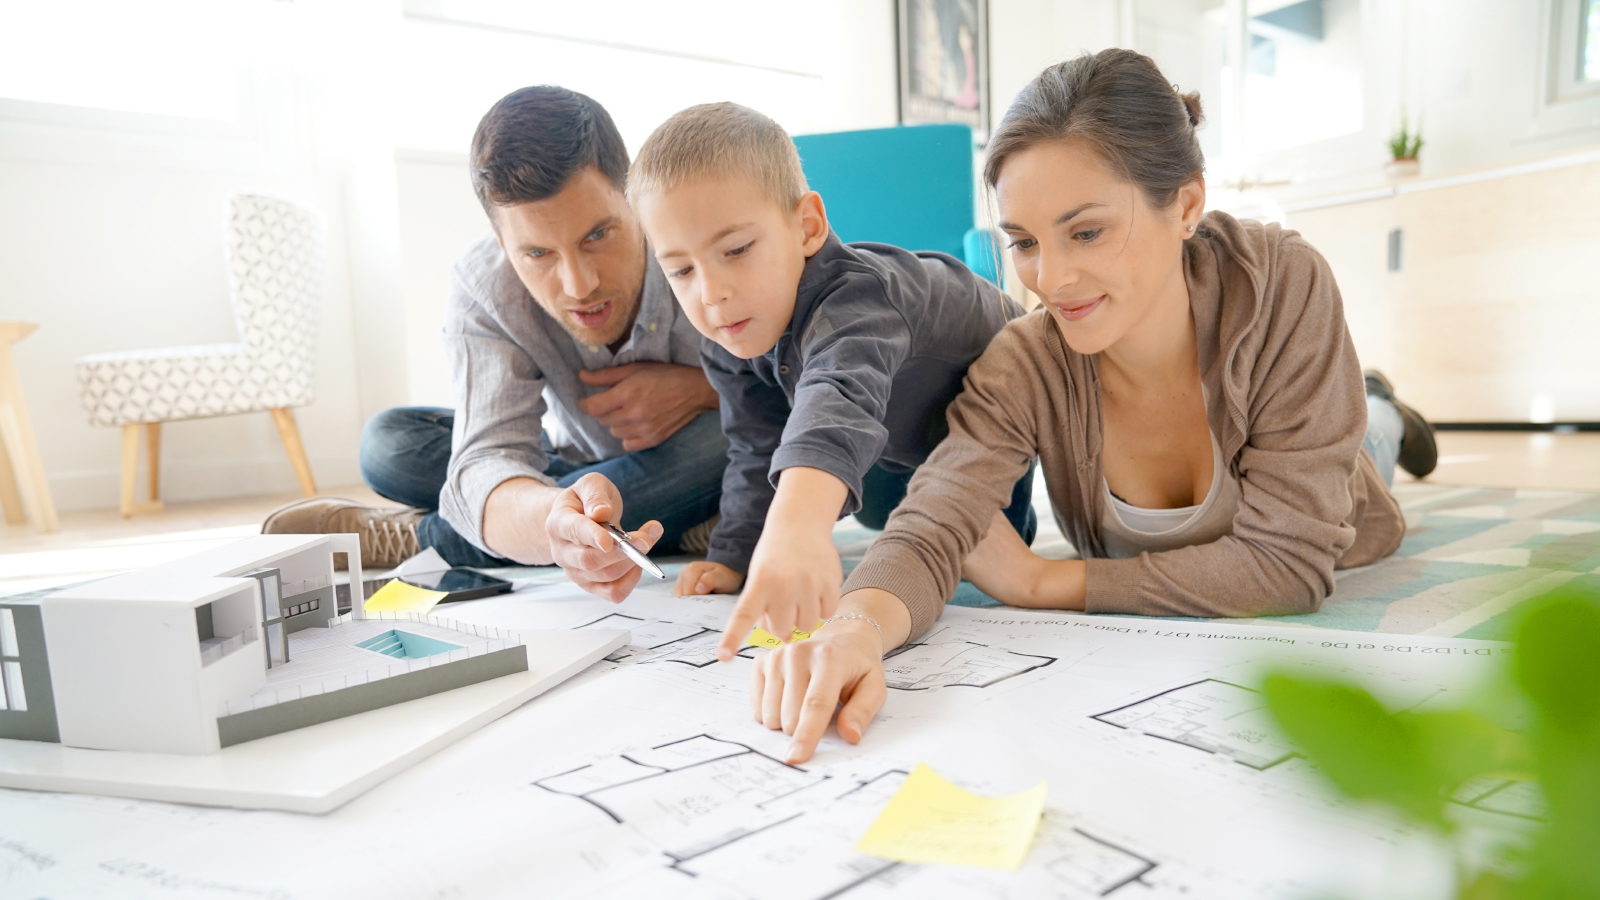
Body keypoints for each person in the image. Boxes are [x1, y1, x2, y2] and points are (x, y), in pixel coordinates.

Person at [750, 49, 1439, 764]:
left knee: (1371, 436)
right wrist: (854, 629)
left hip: (1345, 486)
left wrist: (1043, 580)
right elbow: (929, 530)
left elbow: (1288, 566)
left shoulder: (1282, 283)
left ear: (1188, 205)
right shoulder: (1027, 360)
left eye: (1086, 231)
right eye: (1023, 243)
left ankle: (1384, 405)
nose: (1052, 279)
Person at [263, 86, 728, 602]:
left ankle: (430, 537)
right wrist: (554, 519)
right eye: (536, 253)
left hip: (711, 453)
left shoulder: (694, 235)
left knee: (729, 438)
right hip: (569, 465)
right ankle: (682, 522)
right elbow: (488, 456)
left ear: (633, 197)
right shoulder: (486, 285)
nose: (579, 284)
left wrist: (706, 390)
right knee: (388, 444)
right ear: (500, 240)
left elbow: (799, 393)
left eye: (598, 235)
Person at [625, 102, 1035, 660]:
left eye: (737, 250)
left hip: (1012, 394)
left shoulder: (859, 298)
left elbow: (836, 397)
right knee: (872, 509)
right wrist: (734, 554)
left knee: (981, 551)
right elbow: (754, 447)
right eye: (681, 270)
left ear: (807, 227)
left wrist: (798, 526)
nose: (711, 292)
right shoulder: (728, 336)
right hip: (903, 436)